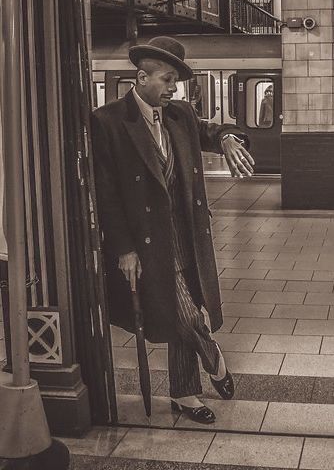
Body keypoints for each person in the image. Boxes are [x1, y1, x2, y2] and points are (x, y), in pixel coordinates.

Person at [91, 36, 255, 424]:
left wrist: (228, 137)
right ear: (142, 76)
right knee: (184, 314)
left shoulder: (180, 115)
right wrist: (123, 248)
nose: (173, 89)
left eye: (176, 82)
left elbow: (211, 130)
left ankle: (185, 394)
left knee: (182, 307)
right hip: (148, 243)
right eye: (167, 80)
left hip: (187, 237)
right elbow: (107, 192)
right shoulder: (108, 121)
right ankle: (214, 359)